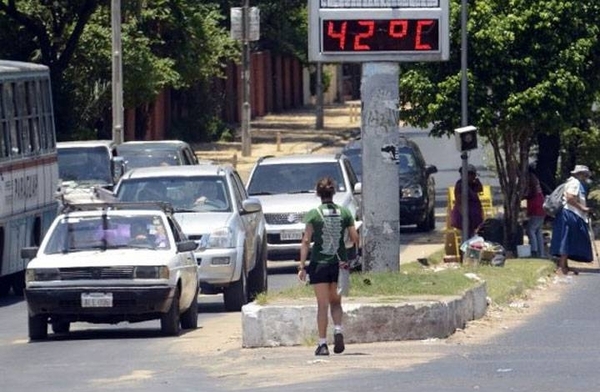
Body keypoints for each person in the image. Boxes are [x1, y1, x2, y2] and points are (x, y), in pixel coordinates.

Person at [297, 176, 360, 356]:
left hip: (320, 264)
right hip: (339, 264)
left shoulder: (314, 213)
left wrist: (302, 266)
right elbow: (355, 237)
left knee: (322, 305)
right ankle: (338, 330)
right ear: (333, 192)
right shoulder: (344, 212)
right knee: (336, 302)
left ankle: (323, 344)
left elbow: (306, 240)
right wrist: (355, 252)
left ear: (318, 193)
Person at [550, 165, 594, 275]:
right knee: (566, 238)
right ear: (580, 174)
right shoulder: (575, 183)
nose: (585, 177)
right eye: (584, 174)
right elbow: (570, 197)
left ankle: (564, 265)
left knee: (567, 238)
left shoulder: (572, 182)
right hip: (570, 213)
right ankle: (561, 266)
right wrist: (583, 208)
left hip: (569, 213)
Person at [450, 164, 484, 239]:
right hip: (464, 216)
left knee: (472, 235)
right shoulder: (460, 185)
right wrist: (465, 216)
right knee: (466, 235)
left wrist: (477, 182)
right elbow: (459, 201)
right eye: (472, 175)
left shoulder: (471, 184)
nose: (473, 177)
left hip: (473, 217)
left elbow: (480, 189)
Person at [525, 165, 547, 258]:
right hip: (540, 206)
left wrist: (523, 196)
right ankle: (540, 253)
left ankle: (534, 251)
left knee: (530, 230)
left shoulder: (531, 177)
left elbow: (533, 193)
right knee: (538, 230)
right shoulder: (534, 177)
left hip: (536, 206)